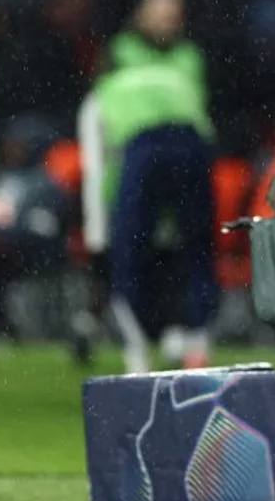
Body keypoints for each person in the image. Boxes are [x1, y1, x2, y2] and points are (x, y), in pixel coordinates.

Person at [78, 59, 218, 374]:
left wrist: (97, 236)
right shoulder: (175, 77)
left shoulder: (104, 93)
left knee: (127, 262)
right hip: (193, 148)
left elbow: (95, 167)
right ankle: (197, 344)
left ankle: (137, 355)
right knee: (198, 252)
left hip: (143, 151)